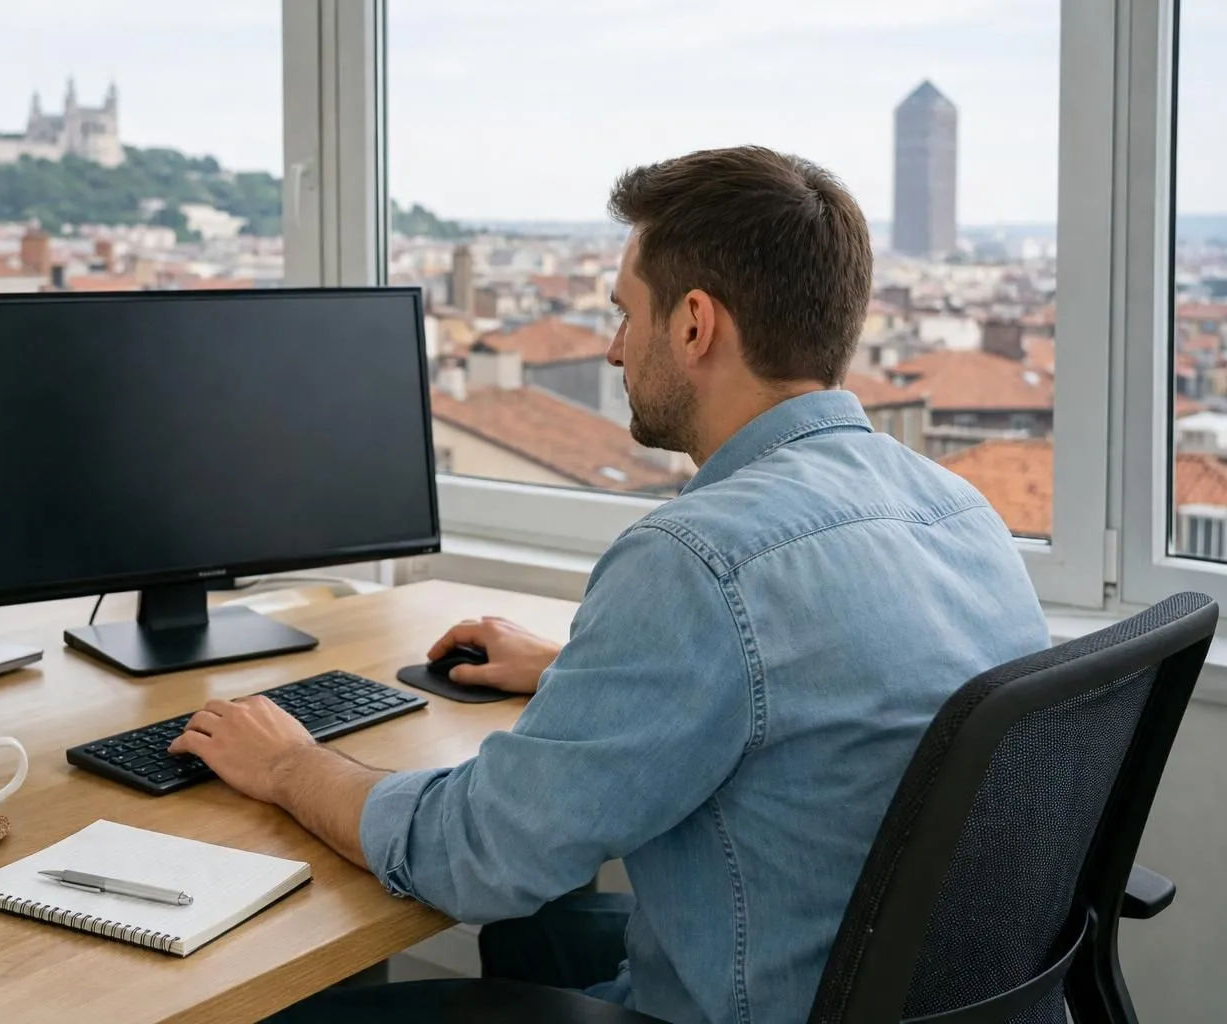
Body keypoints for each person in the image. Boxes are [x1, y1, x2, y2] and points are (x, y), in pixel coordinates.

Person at [168, 145, 1050, 1023]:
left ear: (695, 323)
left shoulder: (699, 559)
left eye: (626, 312)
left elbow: (477, 856)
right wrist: (575, 669)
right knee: (538, 937)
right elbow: (816, 690)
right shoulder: (954, 507)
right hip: (908, 993)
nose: (616, 347)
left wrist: (289, 764)